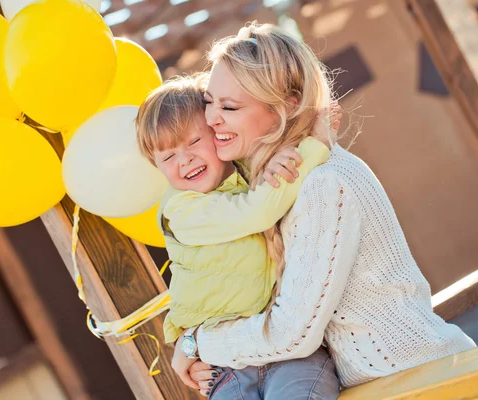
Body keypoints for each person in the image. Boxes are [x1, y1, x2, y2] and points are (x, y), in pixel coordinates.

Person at [168, 22, 476, 398]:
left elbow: (292, 332)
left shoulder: (324, 184)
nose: (212, 118)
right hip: (394, 385)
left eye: (229, 106)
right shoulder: (275, 190)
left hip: (435, 382)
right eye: (209, 102)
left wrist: (198, 342)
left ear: (288, 105)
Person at [136, 75, 339, 399]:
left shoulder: (246, 174)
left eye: (192, 142)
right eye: (168, 157)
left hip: (289, 353)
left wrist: (274, 162)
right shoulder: (182, 210)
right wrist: (316, 145)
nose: (184, 159)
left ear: (218, 135)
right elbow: (256, 212)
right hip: (224, 362)